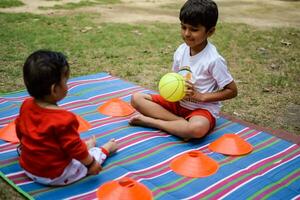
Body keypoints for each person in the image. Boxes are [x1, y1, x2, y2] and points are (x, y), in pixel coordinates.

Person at [129, 0, 238, 140]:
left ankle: (154, 122)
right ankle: (178, 123)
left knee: (196, 130)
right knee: (136, 98)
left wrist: (202, 97)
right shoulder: (181, 50)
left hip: (201, 109)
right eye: (183, 27)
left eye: (194, 29)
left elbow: (232, 91)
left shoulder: (214, 60)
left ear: (210, 31)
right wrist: (170, 87)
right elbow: (175, 76)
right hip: (178, 102)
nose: (187, 33)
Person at [15, 50, 118, 186]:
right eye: (66, 80)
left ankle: (86, 147)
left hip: (28, 166)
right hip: (54, 175)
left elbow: (20, 130)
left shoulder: (26, 105)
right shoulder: (63, 119)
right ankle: (107, 148)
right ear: (54, 89)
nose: (67, 84)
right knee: (87, 158)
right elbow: (74, 148)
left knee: (67, 145)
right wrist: (91, 163)